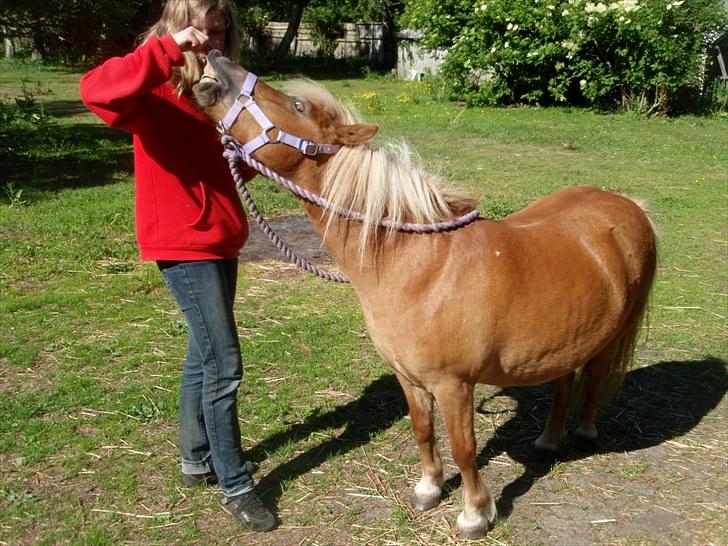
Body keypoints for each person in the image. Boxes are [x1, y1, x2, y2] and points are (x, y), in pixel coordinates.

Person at [79, 0, 277, 533]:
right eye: (202, 29)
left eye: (220, 29)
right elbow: (94, 89)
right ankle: (235, 485)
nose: (212, 39)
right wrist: (167, 51)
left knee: (203, 354)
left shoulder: (214, 94)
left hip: (218, 237)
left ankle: (195, 457)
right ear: (177, 27)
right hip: (183, 243)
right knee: (224, 365)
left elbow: (217, 166)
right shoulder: (150, 89)